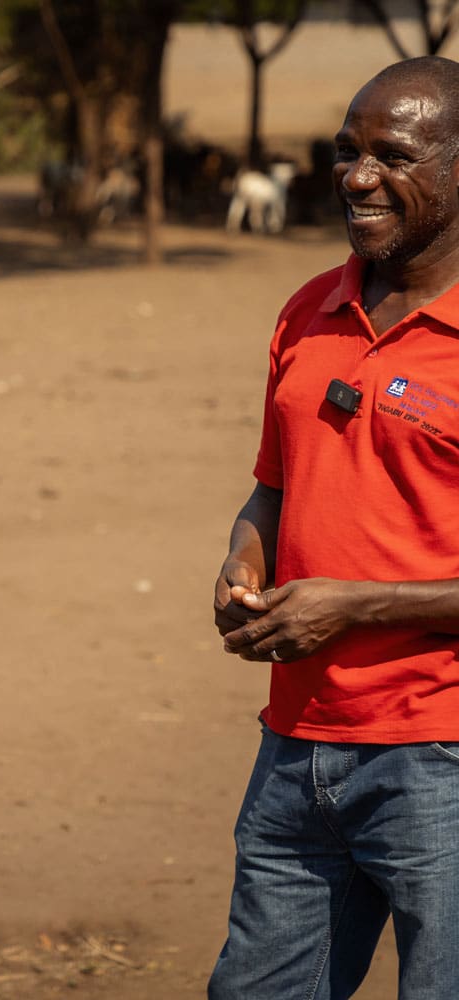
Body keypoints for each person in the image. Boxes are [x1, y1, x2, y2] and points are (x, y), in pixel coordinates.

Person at [210, 55, 459, 1000]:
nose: (357, 176)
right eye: (346, 151)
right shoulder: (308, 311)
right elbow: (274, 487)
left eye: (392, 154)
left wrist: (353, 606)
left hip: (440, 757)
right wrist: (243, 557)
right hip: (296, 743)